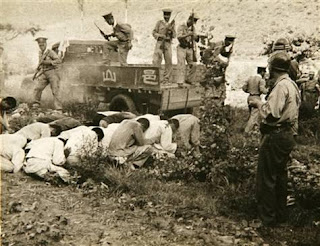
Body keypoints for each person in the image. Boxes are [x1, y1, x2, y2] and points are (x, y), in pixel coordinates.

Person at [250, 51, 301, 226]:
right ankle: (281, 217)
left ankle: (266, 219)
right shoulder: (292, 84)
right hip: (287, 134)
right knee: (280, 177)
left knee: (267, 178)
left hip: (276, 135)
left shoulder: (280, 87)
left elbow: (271, 113)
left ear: (273, 68)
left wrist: (257, 103)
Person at [32, 37, 62, 110]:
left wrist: (49, 62)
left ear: (45, 44)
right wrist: (36, 72)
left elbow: (58, 60)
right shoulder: (40, 53)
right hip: (44, 73)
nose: (41, 46)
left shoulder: (50, 52)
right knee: (37, 88)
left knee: (55, 91)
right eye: (40, 45)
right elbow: (40, 64)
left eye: (42, 45)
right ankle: (36, 104)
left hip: (52, 73)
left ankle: (58, 108)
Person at [152, 9, 176, 84]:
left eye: (168, 16)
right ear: (163, 15)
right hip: (160, 43)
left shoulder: (172, 24)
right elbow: (154, 32)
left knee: (168, 61)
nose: (167, 17)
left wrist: (171, 31)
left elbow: (174, 35)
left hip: (168, 44)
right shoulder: (159, 23)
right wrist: (160, 36)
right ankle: (155, 78)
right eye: (165, 15)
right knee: (156, 60)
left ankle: (166, 79)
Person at [242, 66, 269, 133]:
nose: (265, 73)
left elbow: (244, 88)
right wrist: (268, 90)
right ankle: (247, 131)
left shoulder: (250, 78)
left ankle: (254, 130)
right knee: (254, 116)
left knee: (252, 114)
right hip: (256, 98)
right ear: (262, 72)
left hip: (249, 97)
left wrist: (249, 91)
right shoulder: (261, 80)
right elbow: (262, 90)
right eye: (264, 72)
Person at [176, 13, 200, 86]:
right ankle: (180, 82)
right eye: (193, 21)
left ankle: (190, 79)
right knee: (181, 64)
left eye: (195, 21)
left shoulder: (193, 28)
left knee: (194, 65)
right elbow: (179, 37)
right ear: (189, 19)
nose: (194, 23)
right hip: (181, 48)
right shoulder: (182, 26)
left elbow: (196, 39)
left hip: (189, 48)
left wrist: (195, 36)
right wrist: (188, 34)